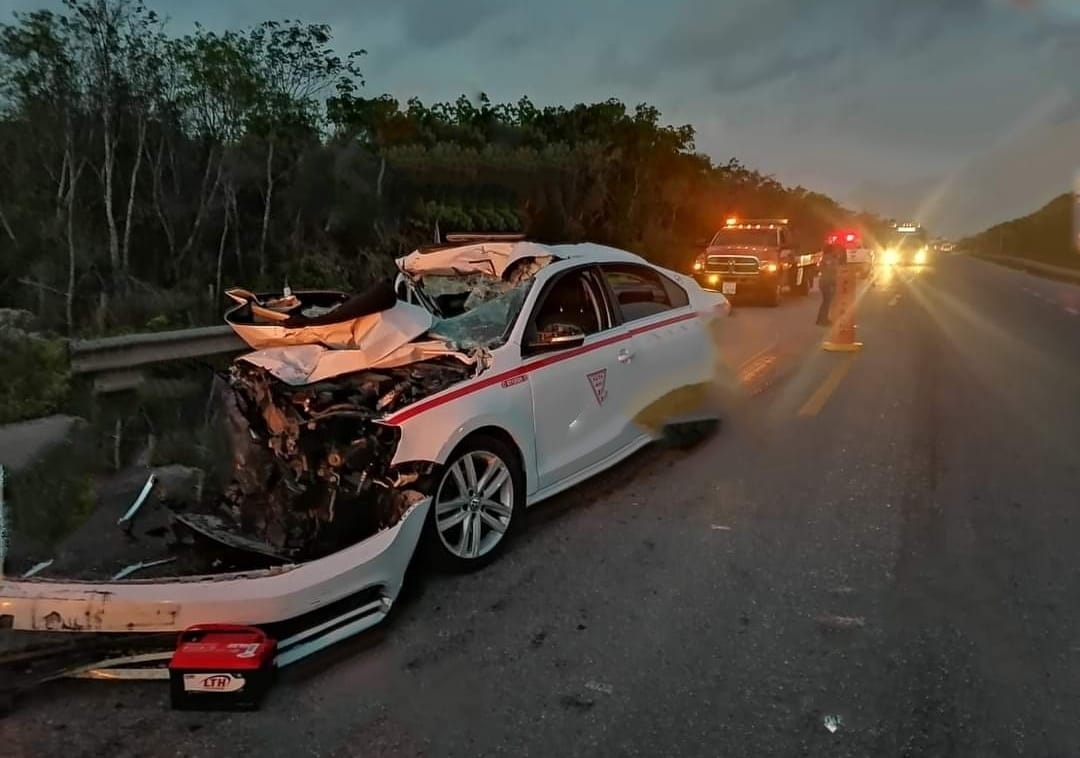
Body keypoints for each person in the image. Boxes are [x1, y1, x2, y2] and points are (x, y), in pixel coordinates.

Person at [816, 243, 840, 326]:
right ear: (831, 250)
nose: (837, 251)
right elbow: (831, 269)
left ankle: (822, 319)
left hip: (826, 282)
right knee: (826, 301)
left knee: (826, 301)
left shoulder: (829, 258)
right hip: (826, 282)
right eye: (835, 249)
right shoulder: (828, 258)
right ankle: (822, 320)